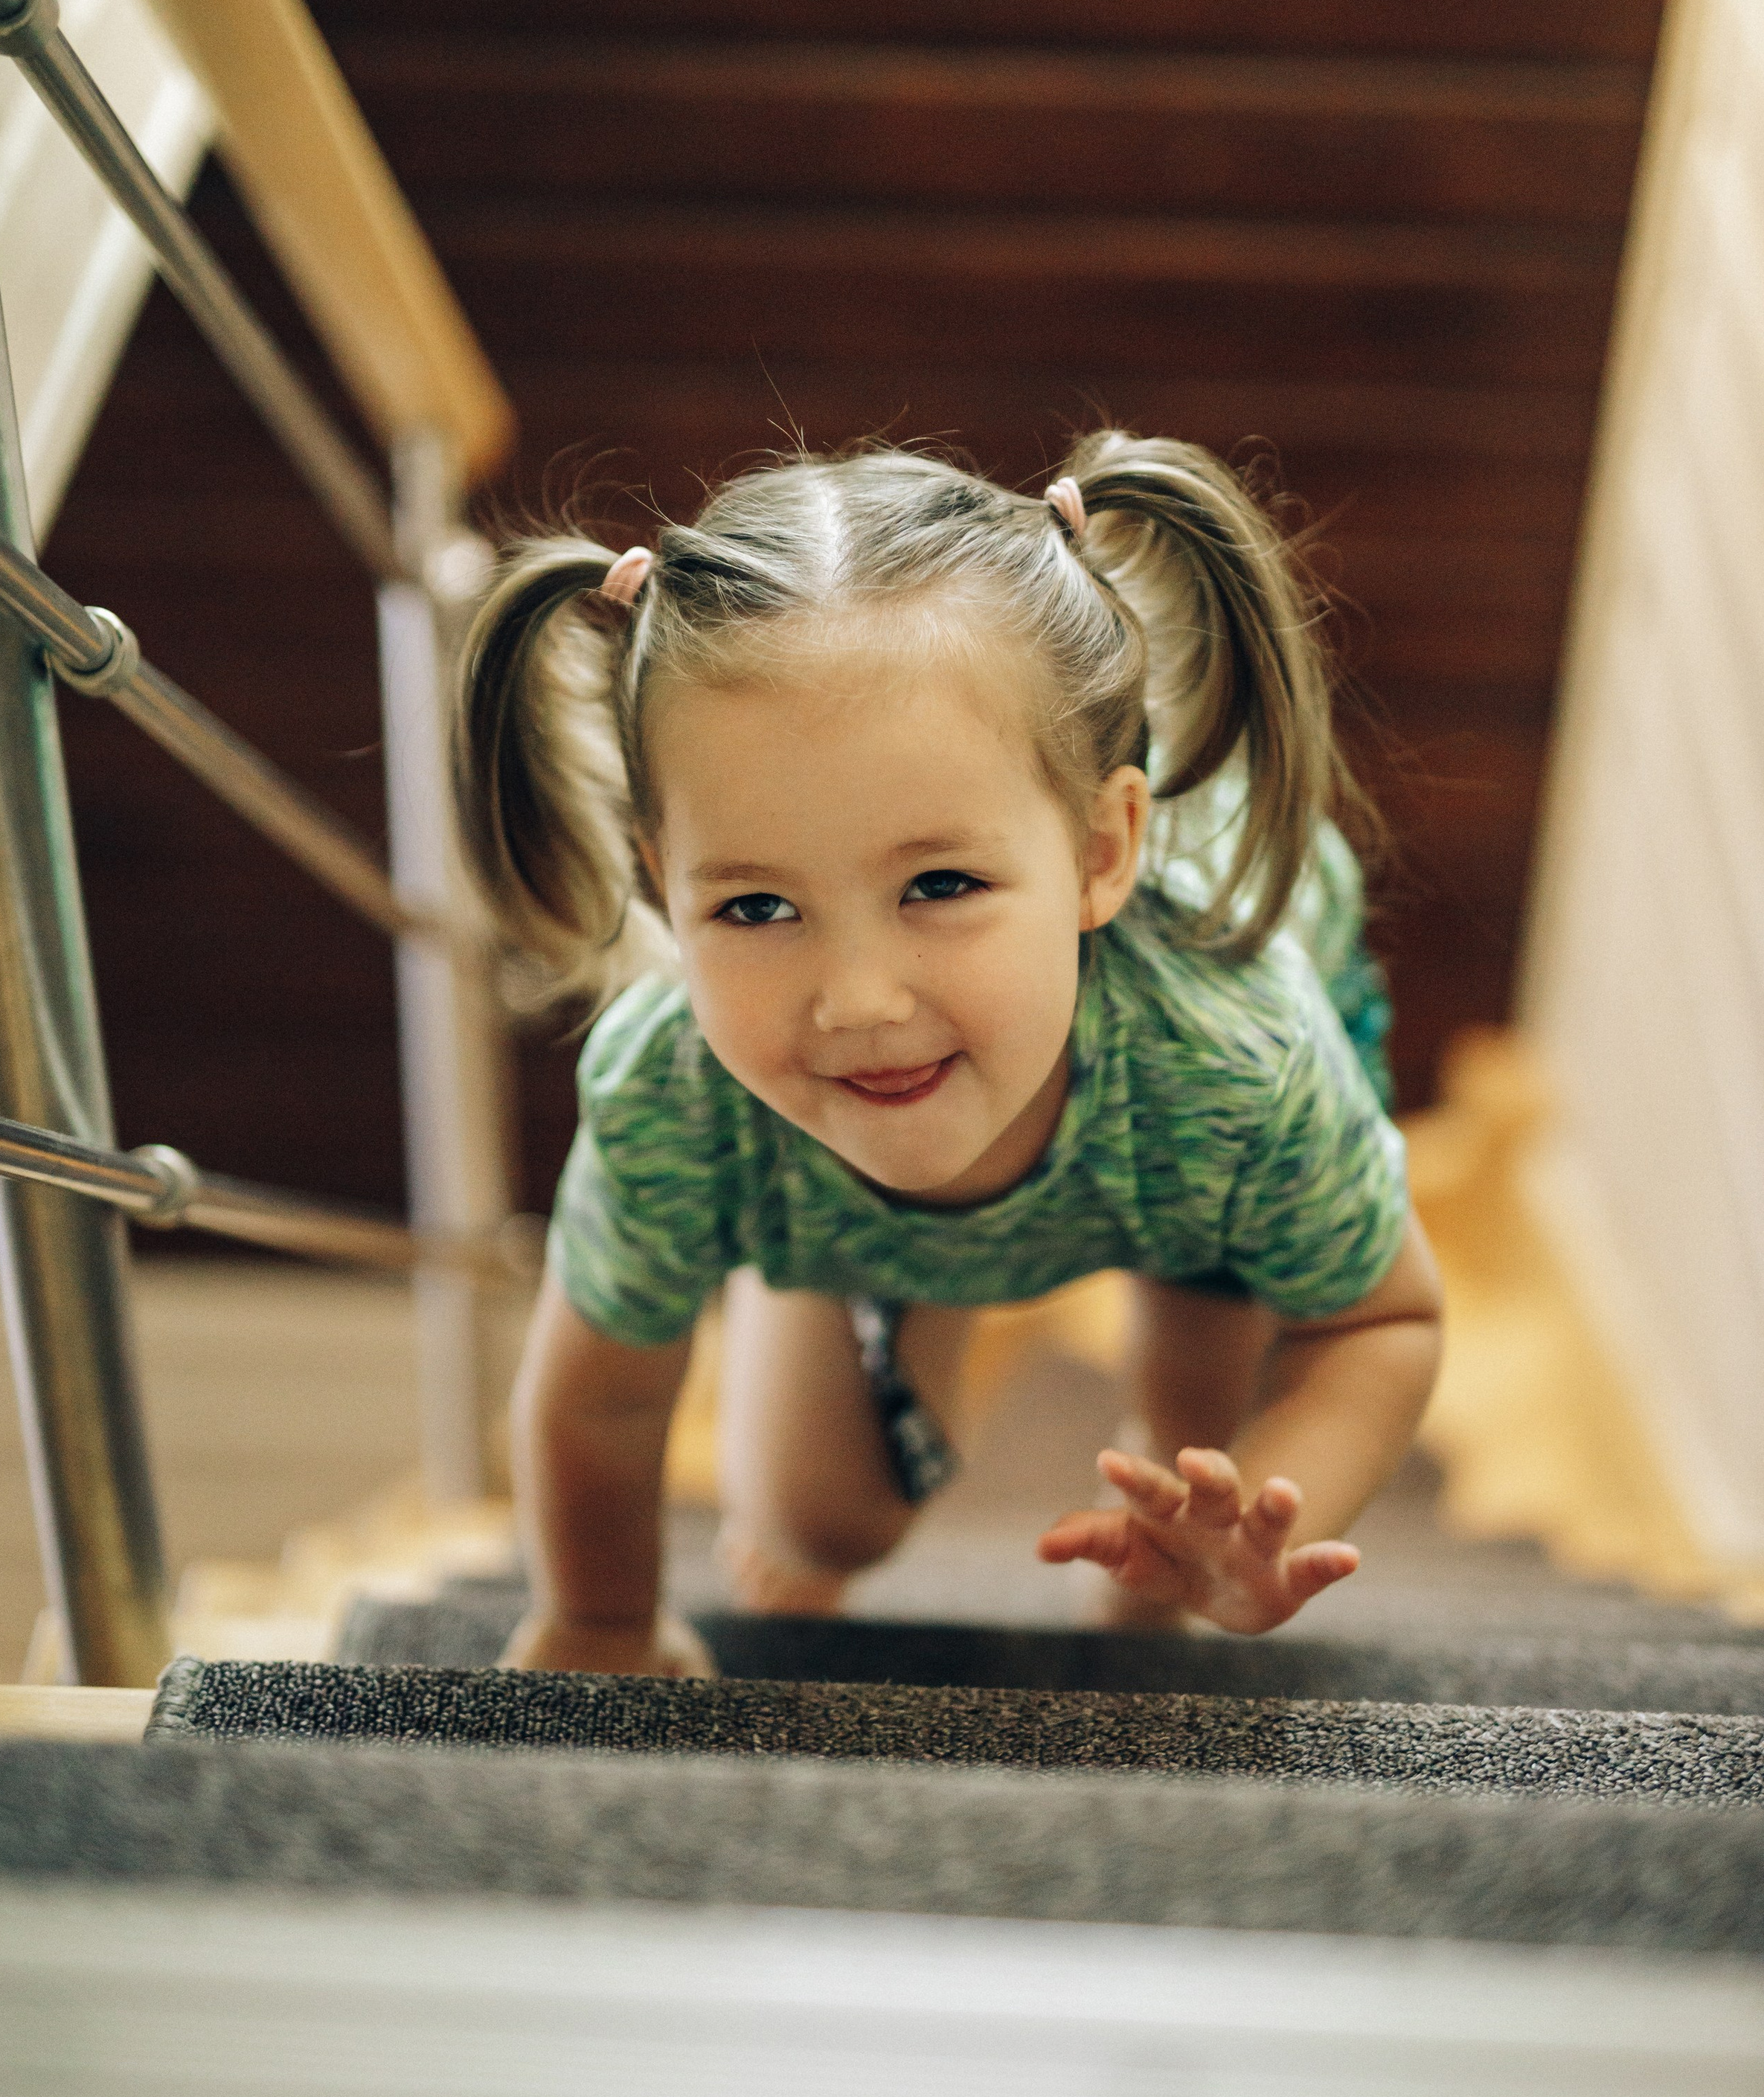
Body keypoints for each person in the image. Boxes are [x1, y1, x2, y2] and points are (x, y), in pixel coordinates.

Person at [455, 432, 1443, 1676]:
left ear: (1099, 854)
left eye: (940, 883)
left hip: (1183, 1159)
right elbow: (595, 1396)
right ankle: (864, 1259)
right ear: (663, 887)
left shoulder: (1236, 1057)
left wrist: (1256, 1508)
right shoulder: (678, 1088)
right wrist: (597, 1623)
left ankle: (1150, 1588)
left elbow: (1380, 1319)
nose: (858, 1002)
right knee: (824, 1524)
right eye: (756, 908)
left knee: (1193, 1412)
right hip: (836, 1160)